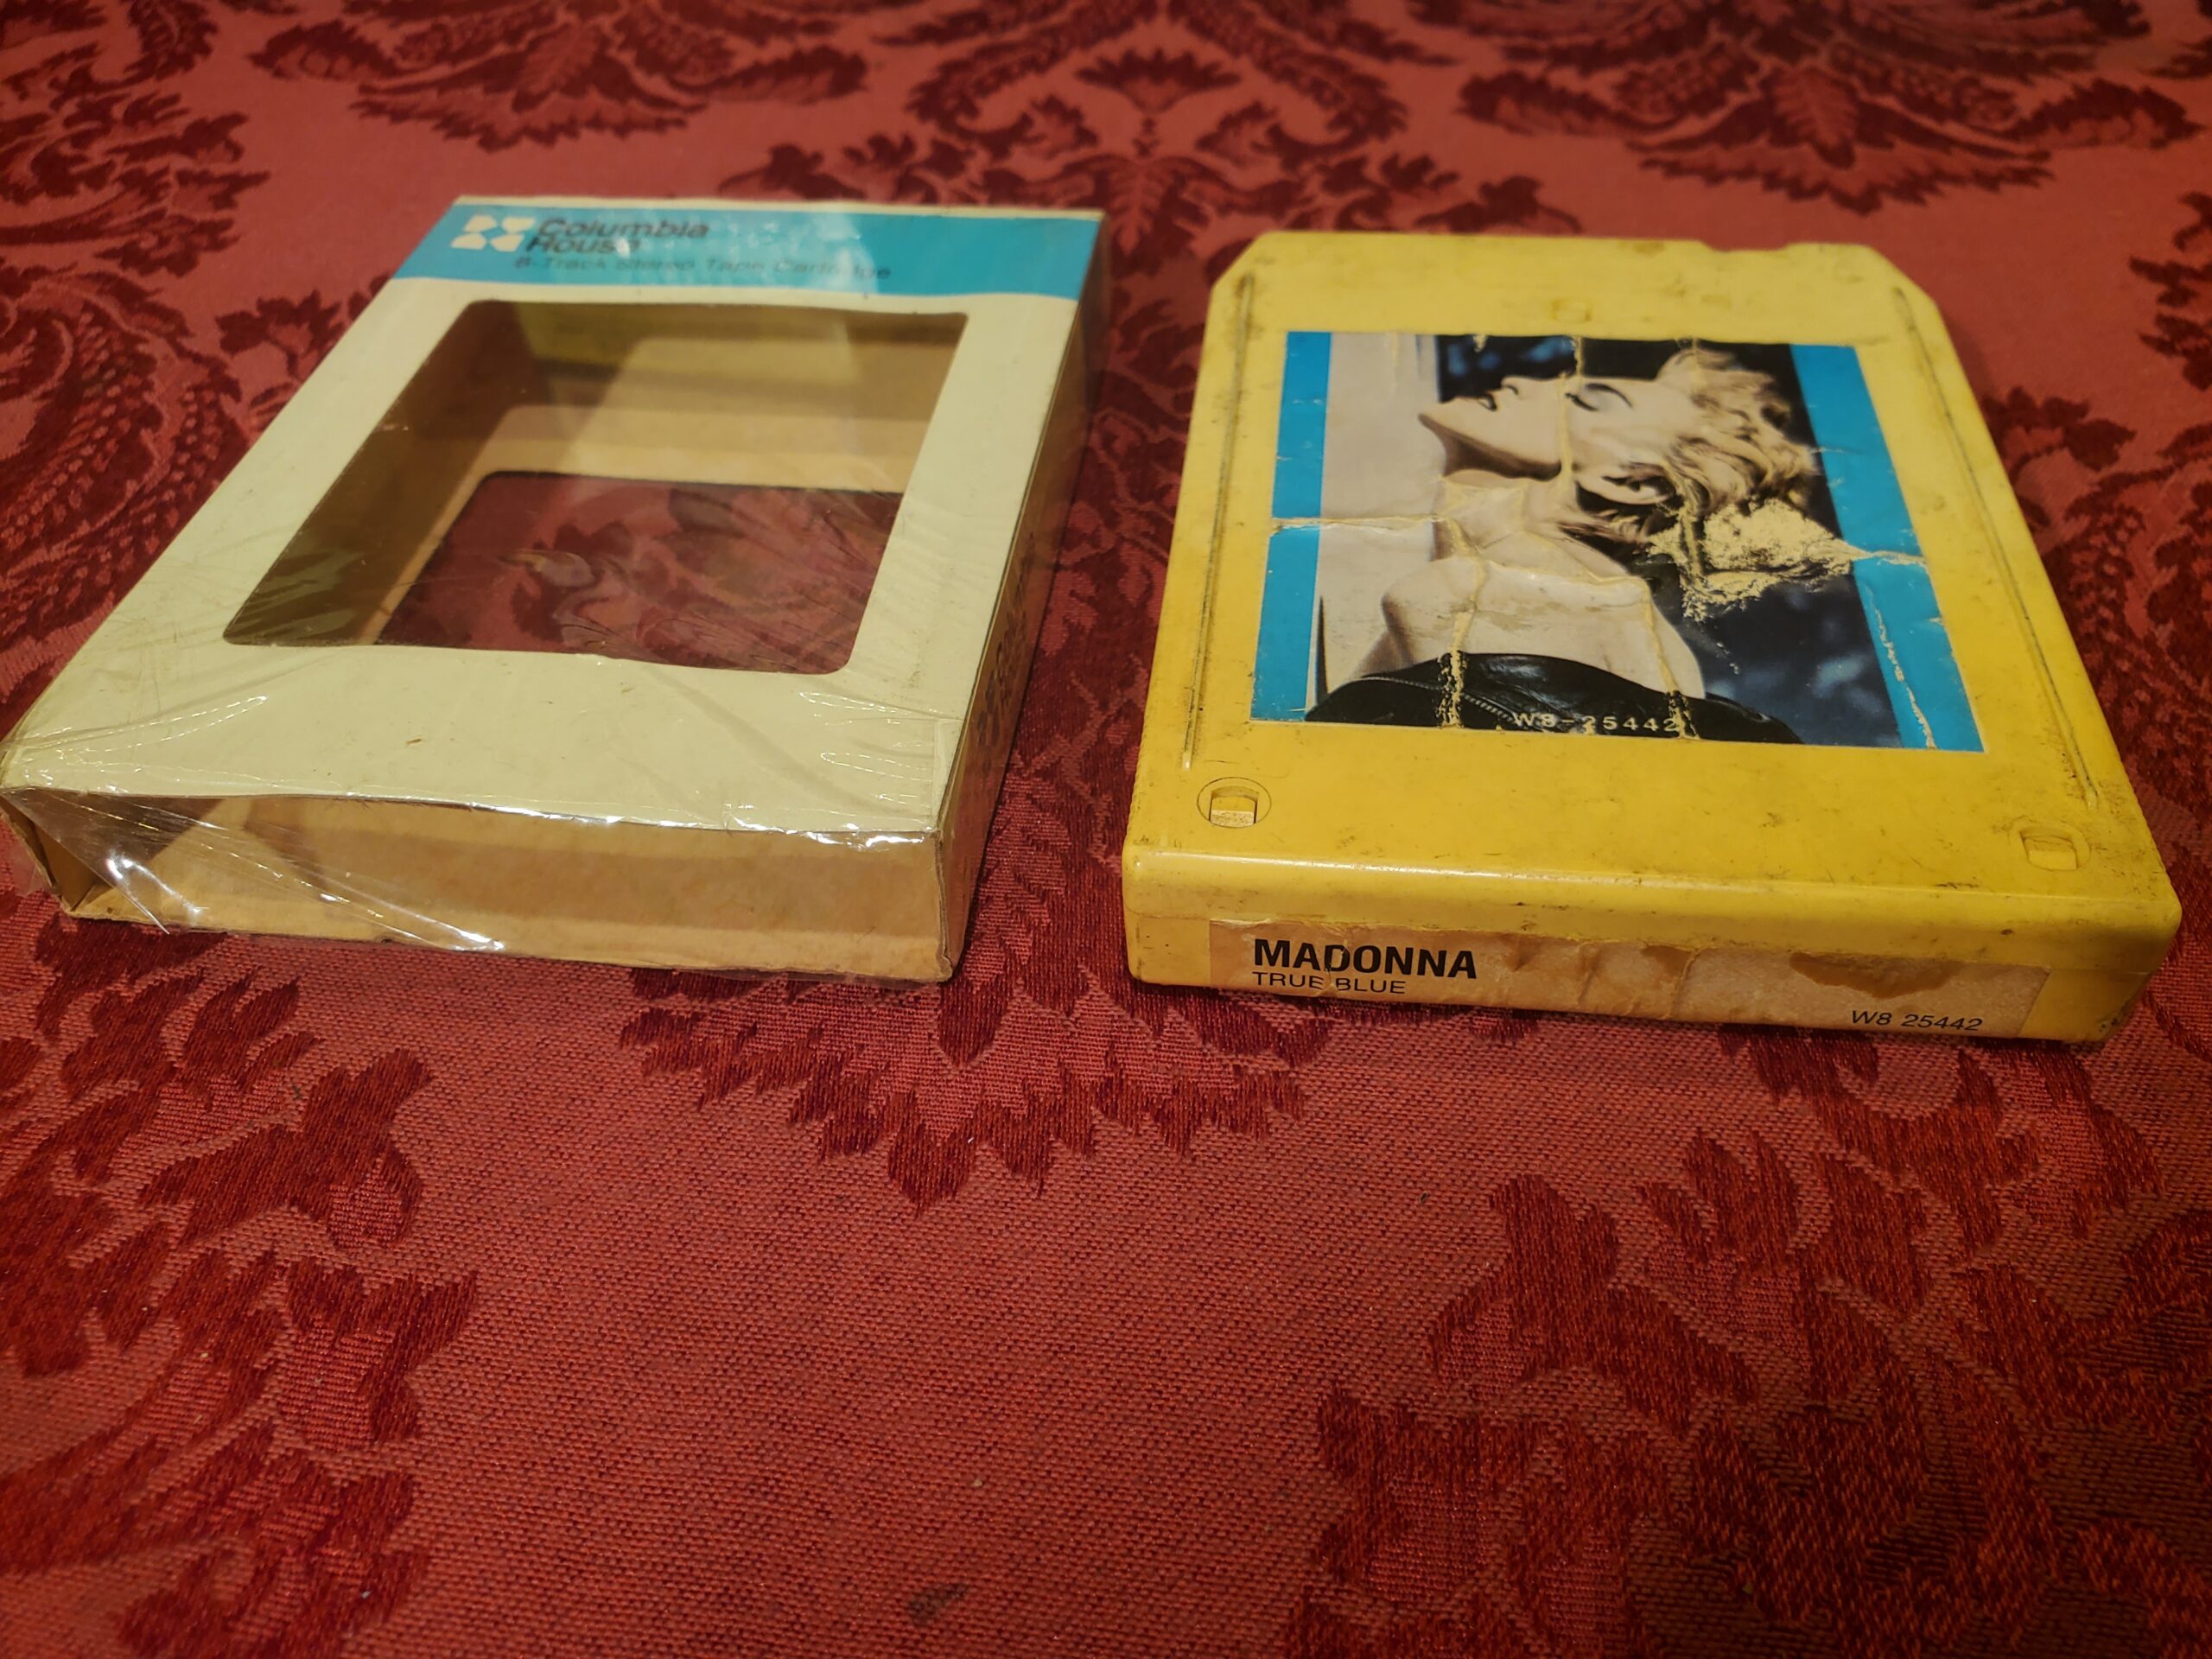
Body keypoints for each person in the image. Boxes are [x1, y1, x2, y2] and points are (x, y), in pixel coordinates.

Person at [1306, 346, 1817, 741]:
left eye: (1586, 401)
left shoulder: (1490, 595)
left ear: (1631, 481)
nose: (1521, 382)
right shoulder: (1559, 591)